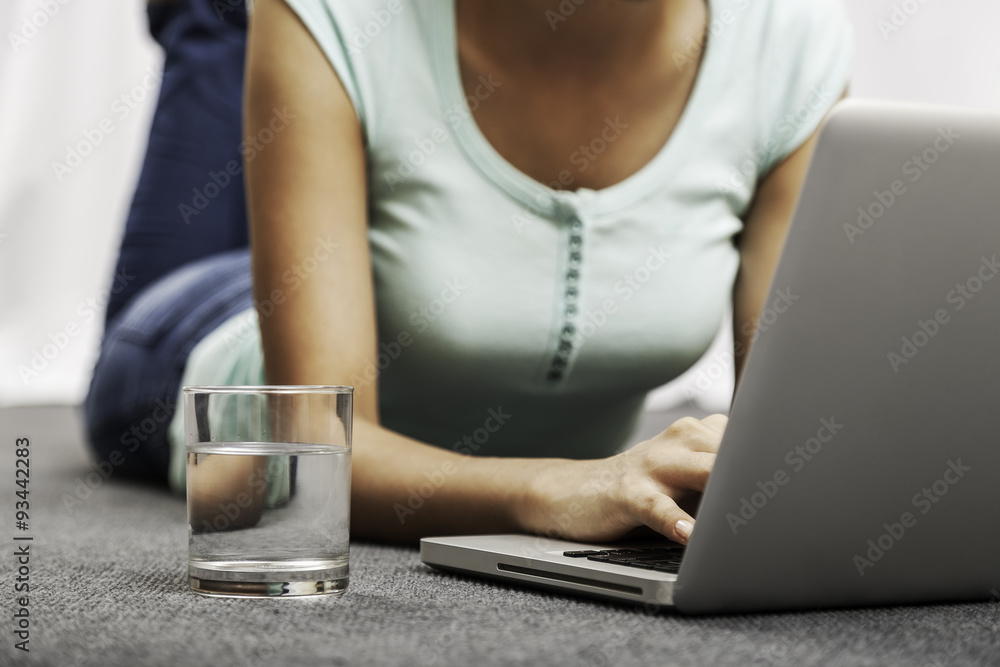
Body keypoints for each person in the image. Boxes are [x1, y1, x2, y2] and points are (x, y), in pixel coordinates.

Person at [85, 0, 854, 544]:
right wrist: (558, 487)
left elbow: (785, 449)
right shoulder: (335, 12)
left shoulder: (790, 41)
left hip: (362, 259)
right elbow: (316, 455)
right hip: (197, 343)